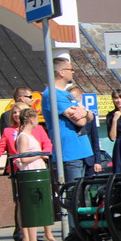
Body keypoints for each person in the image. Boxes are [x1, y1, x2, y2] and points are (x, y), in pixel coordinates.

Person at [0, 106, 60, 241]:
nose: (17, 114)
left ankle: (47, 234)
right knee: (23, 203)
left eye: (20, 112)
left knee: (41, 200)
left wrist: (45, 154)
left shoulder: (37, 129)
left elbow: (47, 144)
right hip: (21, 169)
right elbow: (0, 150)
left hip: (37, 167)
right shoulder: (9, 132)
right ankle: (26, 238)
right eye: (14, 112)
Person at [40, 55, 94, 184]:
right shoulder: (53, 94)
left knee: (81, 195)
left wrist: (85, 112)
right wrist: (85, 113)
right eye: (70, 69)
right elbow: (80, 121)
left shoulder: (67, 94)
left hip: (79, 150)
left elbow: (90, 116)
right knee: (72, 194)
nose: (73, 72)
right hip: (69, 153)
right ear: (61, 72)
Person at [14, 108, 54, 241]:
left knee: (36, 206)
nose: (38, 121)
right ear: (31, 119)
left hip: (36, 171)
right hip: (30, 173)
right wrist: (39, 155)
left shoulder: (29, 135)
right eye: (36, 118)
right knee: (32, 208)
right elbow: (23, 158)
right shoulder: (23, 136)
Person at [68, 86, 102, 176]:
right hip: (75, 158)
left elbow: (95, 139)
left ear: (80, 97)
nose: (73, 101)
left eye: (74, 98)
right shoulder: (69, 116)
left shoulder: (90, 116)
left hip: (89, 159)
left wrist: (97, 161)